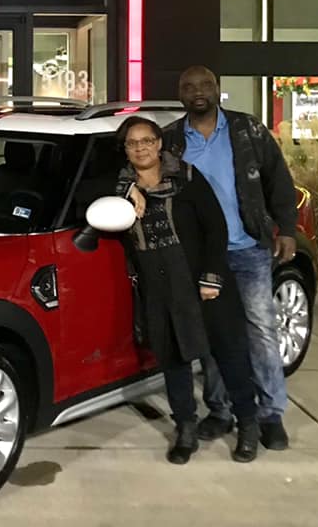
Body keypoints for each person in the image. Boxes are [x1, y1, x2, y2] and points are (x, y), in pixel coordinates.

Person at [164, 66, 298, 451]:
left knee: (261, 332)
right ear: (180, 94)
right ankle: (221, 411)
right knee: (215, 337)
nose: (198, 91)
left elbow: (278, 179)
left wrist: (286, 228)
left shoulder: (247, 129)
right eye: (189, 87)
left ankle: (270, 415)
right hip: (203, 256)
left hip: (248, 248)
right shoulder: (171, 140)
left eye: (205, 85)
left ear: (217, 89)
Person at [115, 116, 259, 464]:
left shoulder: (187, 178)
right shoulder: (119, 188)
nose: (140, 148)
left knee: (229, 355)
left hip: (199, 282)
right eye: (132, 143)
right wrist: (127, 190)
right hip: (158, 287)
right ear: (125, 149)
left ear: (159, 143)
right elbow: (84, 200)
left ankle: (248, 425)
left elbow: (216, 228)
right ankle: (186, 430)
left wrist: (211, 276)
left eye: (147, 140)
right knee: (174, 362)